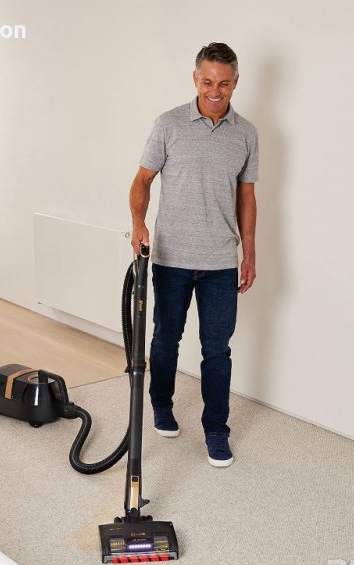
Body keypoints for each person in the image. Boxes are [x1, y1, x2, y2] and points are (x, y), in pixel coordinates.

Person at [129, 42, 259, 467]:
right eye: (207, 82)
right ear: (195, 79)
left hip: (220, 261)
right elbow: (142, 180)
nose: (214, 91)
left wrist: (249, 253)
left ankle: (217, 430)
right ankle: (161, 405)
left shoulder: (246, 133)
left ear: (235, 83)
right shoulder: (168, 124)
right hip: (172, 258)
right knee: (166, 339)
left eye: (224, 83)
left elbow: (247, 197)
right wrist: (139, 223)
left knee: (217, 349)